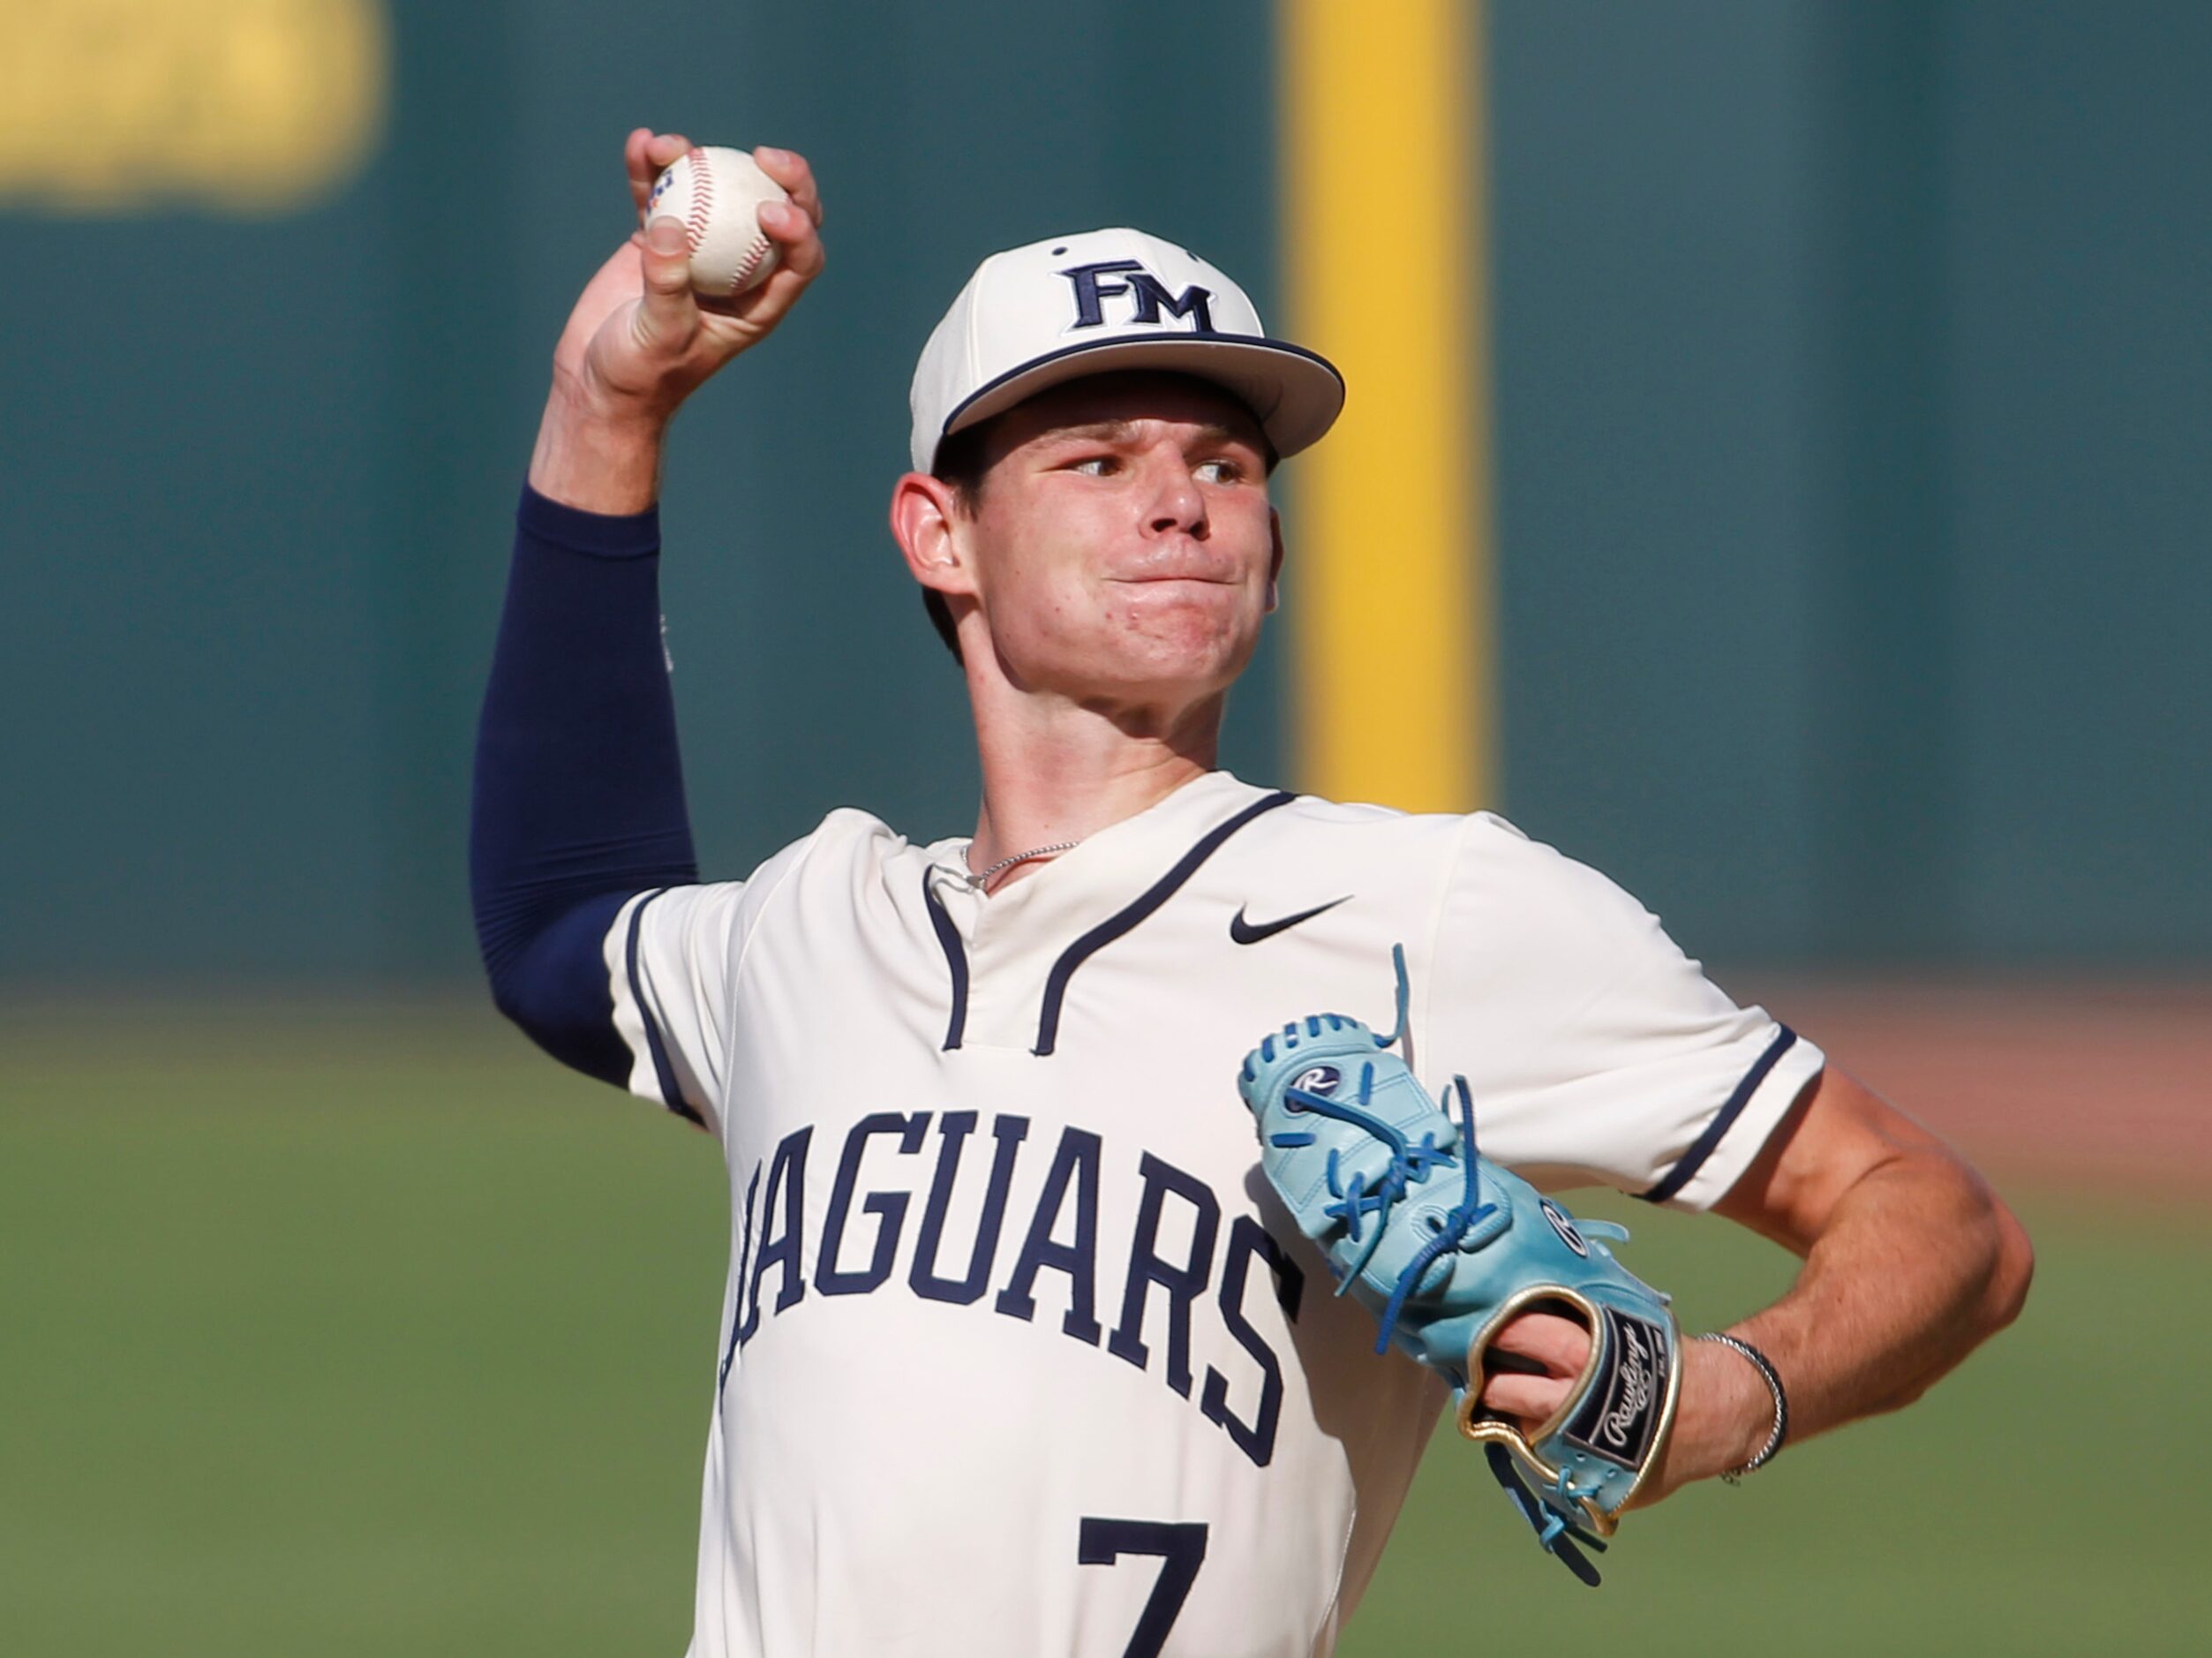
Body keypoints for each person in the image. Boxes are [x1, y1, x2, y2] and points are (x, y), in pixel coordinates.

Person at [471, 131, 2032, 1657]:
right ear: (937, 536)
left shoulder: (1434, 911)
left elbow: (1946, 1226)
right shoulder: (816, 929)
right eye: (1096, 461)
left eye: (1223, 463)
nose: (1180, 503)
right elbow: (558, 932)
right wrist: (606, 404)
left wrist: (1720, 1395)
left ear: (1271, 549)